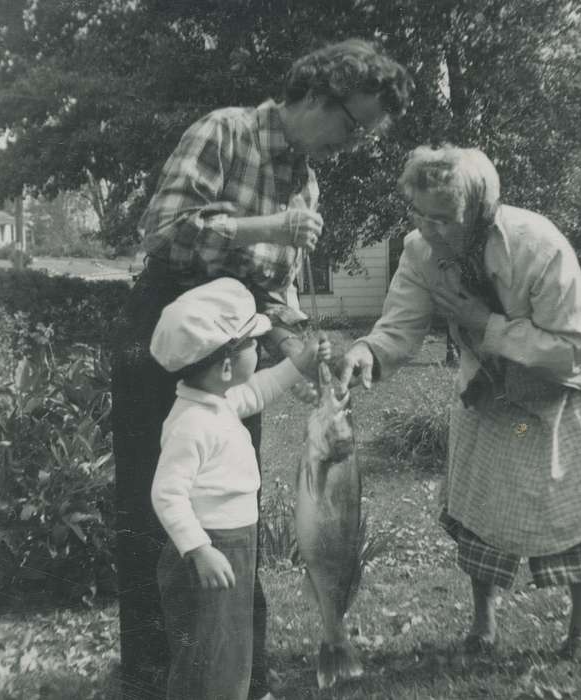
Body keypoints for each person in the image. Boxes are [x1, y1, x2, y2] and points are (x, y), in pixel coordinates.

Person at [110, 38, 413, 698]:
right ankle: (155, 670)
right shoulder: (226, 130)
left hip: (235, 351)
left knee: (227, 507)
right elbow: (162, 228)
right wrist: (268, 226)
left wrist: (304, 346)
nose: (356, 143)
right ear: (314, 95)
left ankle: (233, 668)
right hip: (166, 336)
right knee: (152, 504)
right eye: (355, 125)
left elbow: (275, 292)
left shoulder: (303, 178)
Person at [340, 145, 581, 659]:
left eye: (445, 218)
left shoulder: (537, 244)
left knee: (576, 490)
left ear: (481, 210)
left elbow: (574, 346)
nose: (431, 229)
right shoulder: (421, 250)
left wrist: (485, 326)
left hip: (574, 367)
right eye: (420, 214)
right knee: (478, 491)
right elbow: (399, 326)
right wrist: (366, 352)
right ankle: (483, 623)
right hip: (491, 371)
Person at [148, 278, 330, 700]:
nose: (261, 350)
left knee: (231, 641)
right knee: (205, 652)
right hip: (211, 551)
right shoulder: (191, 423)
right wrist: (198, 549)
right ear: (226, 367)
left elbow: (258, 391)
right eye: (253, 344)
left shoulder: (218, 401)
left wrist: (299, 363)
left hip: (236, 543)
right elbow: (166, 493)